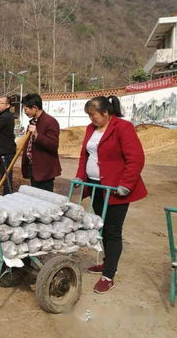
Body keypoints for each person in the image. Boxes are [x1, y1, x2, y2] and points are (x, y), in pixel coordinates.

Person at [75, 95, 147, 294]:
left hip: (116, 190)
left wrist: (126, 184)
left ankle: (109, 275)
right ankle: (106, 263)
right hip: (96, 187)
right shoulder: (91, 129)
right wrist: (81, 177)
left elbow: (136, 159)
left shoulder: (122, 127)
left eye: (94, 115)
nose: (91, 119)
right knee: (101, 227)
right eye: (89, 116)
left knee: (113, 231)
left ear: (106, 113)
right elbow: (85, 156)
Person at [21, 93, 62, 192]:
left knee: (45, 199)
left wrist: (37, 135)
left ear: (35, 108)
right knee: (36, 198)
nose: (25, 112)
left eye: (26, 109)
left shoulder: (50, 122)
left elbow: (53, 145)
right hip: (33, 169)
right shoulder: (33, 122)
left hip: (44, 170)